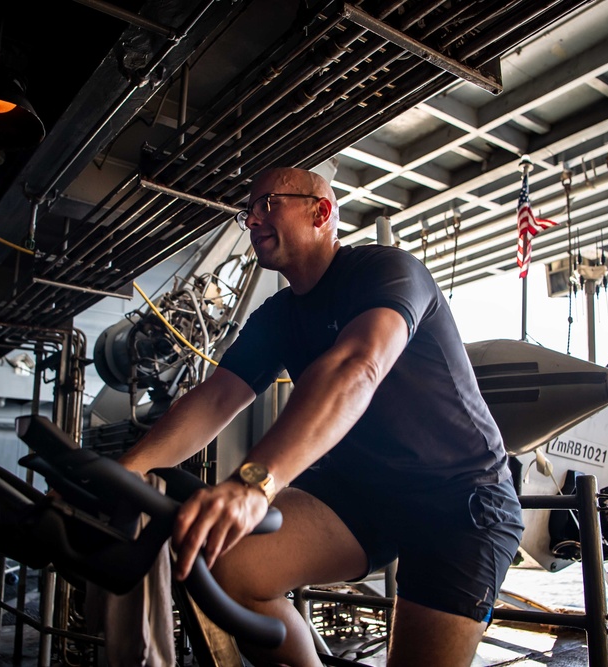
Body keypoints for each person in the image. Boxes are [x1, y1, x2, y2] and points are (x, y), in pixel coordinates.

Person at [118, 166, 524, 666]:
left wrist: (253, 484)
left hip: (460, 500)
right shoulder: (278, 316)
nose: (251, 219)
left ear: (322, 211)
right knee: (227, 564)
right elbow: (217, 398)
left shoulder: (388, 271)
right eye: (249, 209)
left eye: (268, 203)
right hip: (364, 495)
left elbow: (358, 367)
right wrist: (123, 475)